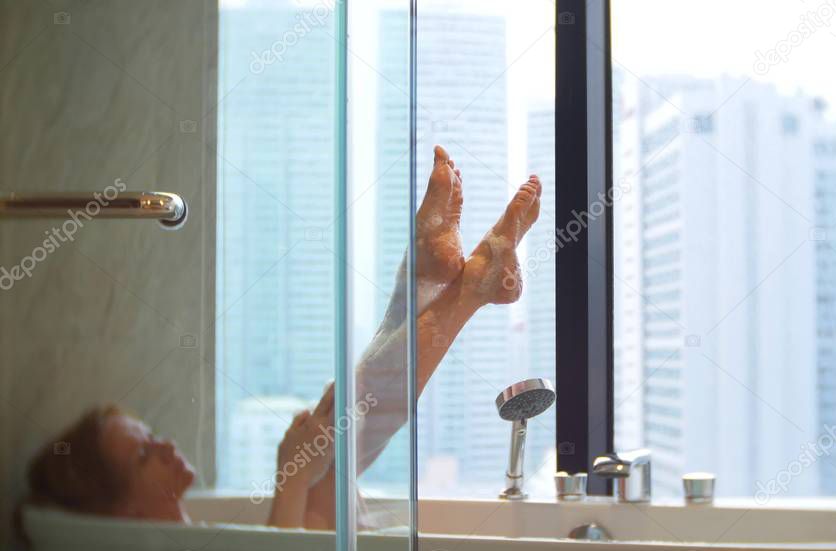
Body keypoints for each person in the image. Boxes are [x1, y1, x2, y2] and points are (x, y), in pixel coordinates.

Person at [20, 145, 542, 530]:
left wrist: (297, 471)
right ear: (121, 511)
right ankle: (451, 286)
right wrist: (290, 480)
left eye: (149, 435)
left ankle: (446, 285)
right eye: (142, 455)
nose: (163, 443)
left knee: (330, 437)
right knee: (329, 446)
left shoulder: (194, 539)